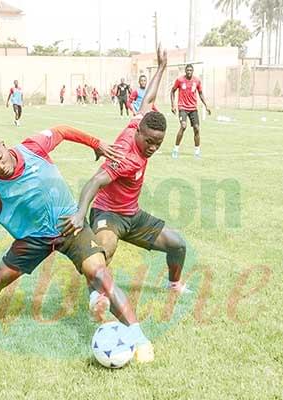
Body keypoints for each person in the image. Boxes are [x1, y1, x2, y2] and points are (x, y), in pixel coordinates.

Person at [0, 126, 156, 363]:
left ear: (3, 144)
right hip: (32, 238)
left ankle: (140, 338)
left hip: (69, 224)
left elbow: (62, 131)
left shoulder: (33, 147)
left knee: (99, 272)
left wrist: (96, 143)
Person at [64, 47, 191, 307]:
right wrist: (79, 214)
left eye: (158, 143)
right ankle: (95, 298)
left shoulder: (140, 121)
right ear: (139, 134)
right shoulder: (125, 155)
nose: (153, 148)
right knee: (103, 251)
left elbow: (148, 98)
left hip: (132, 214)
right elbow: (95, 181)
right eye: (149, 142)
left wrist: (162, 67)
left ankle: (174, 285)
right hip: (107, 215)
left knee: (177, 244)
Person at [170, 64, 211, 159]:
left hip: (193, 108)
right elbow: (172, 91)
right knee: (183, 126)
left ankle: (197, 152)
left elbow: (200, 93)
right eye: (187, 70)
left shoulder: (197, 81)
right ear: (185, 71)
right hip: (182, 107)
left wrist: (206, 106)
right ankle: (175, 150)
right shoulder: (180, 80)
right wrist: (173, 105)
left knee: (196, 128)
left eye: (190, 70)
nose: (189, 72)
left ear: (192, 71)